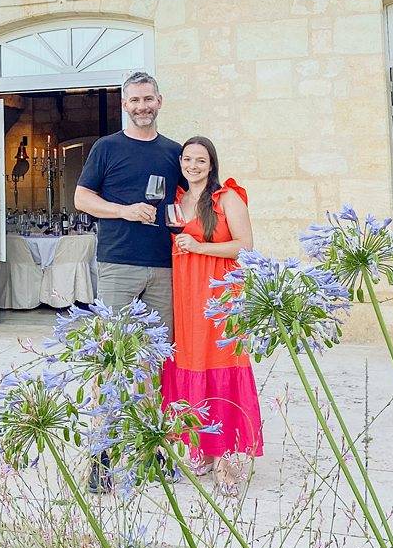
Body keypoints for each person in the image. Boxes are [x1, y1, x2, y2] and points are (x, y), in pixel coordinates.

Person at [74, 70, 182, 492]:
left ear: (160, 100)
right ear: (124, 104)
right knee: (113, 359)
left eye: (148, 99)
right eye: (134, 100)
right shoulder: (106, 148)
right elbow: (82, 198)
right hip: (118, 264)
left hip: (164, 266)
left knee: (154, 361)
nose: (142, 106)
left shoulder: (174, 151)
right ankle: (101, 456)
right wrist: (123, 210)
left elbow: (188, 199)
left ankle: (151, 448)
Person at [164, 136, 263, 489]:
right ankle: (202, 449)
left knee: (220, 364)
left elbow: (246, 245)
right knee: (192, 365)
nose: (193, 165)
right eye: (187, 159)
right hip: (186, 295)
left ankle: (224, 459)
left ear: (211, 165)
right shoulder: (176, 199)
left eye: (200, 161)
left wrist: (201, 246)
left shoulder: (226, 198)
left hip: (219, 295)